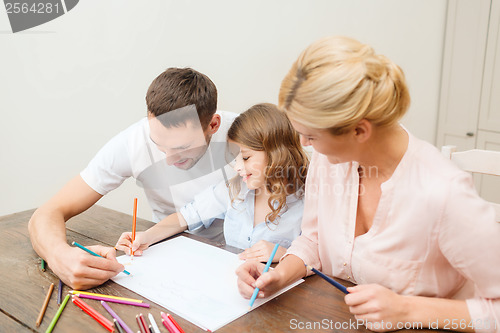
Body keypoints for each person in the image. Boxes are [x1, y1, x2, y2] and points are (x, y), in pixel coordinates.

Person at [236, 36, 500, 332]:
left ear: (359, 130)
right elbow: (313, 240)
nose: (303, 145)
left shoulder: (443, 192)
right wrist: (279, 275)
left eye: (311, 137)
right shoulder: (331, 160)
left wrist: (407, 310)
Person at [29, 67, 238, 290]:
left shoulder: (249, 136)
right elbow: (46, 213)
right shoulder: (133, 143)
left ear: (213, 125)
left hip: (241, 259)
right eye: (159, 145)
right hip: (168, 261)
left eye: (182, 147)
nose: (168, 160)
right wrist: (60, 257)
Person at [115, 103, 309, 262]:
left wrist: (285, 255)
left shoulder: (308, 201)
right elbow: (185, 217)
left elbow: (326, 262)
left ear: (277, 154)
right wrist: (146, 237)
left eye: (247, 158)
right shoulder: (235, 189)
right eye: (235, 158)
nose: (237, 167)